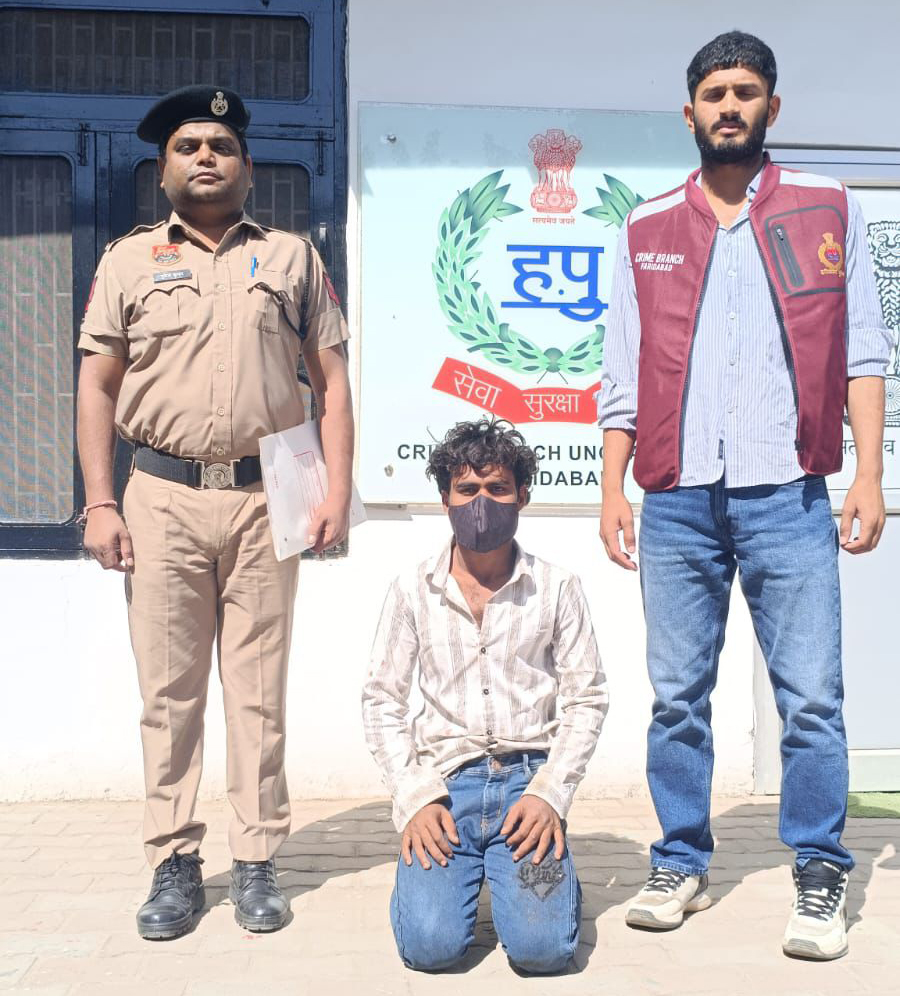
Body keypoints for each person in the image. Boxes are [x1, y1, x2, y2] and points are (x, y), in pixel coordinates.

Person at [598, 31, 892, 961]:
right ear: (688, 113)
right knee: (677, 699)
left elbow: (864, 350)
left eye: (746, 91)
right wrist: (612, 487)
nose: (729, 106)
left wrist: (869, 473)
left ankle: (819, 868)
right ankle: (680, 860)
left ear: (773, 106)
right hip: (677, 499)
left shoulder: (827, 205)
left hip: (789, 494)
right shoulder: (645, 226)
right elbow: (621, 372)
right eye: (714, 93)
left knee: (811, 701)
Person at [76, 85, 354, 939]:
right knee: (169, 694)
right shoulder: (130, 261)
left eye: (222, 146)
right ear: (162, 169)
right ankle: (173, 860)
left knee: (259, 691)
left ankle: (258, 857)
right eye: (188, 146)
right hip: (159, 497)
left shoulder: (291, 258)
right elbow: (97, 384)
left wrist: (336, 493)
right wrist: (99, 501)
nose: (206, 157)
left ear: (248, 167)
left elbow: (332, 382)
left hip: (268, 494)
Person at [362, 418, 608, 974]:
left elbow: (587, 698)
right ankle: (442, 885)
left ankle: (547, 885)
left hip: (528, 788)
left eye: (497, 488)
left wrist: (551, 794)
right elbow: (380, 700)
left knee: (544, 952)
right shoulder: (411, 590)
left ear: (523, 495)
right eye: (466, 489)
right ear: (444, 500)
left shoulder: (557, 587)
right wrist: (414, 797)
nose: (481, 502)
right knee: (430, 947)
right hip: (445, 789)